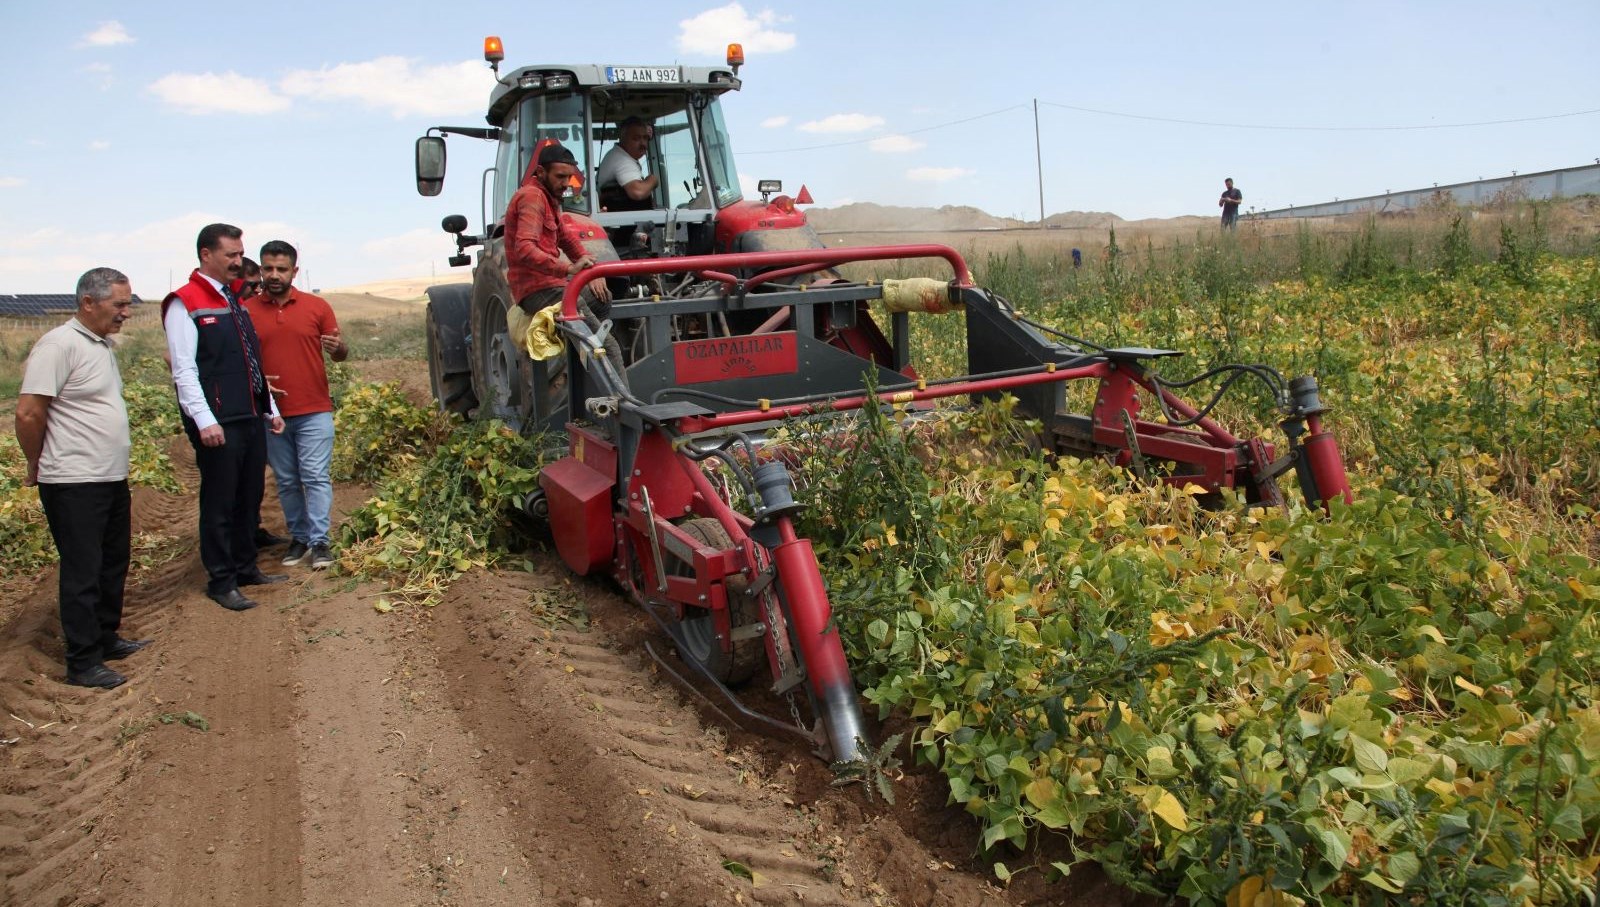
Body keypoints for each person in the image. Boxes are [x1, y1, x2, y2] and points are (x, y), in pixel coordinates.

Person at [15, 268, 150, 689]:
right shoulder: (58, 345)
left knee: (112, 563)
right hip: (73, 480)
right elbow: (28, 412)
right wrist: (36, 462)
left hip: (108, 477)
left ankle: (105, 637)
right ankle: (82, 661)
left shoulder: (100, 344)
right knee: (82, 571)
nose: (126, 312)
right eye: (119, 304)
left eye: (128, 303)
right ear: (88, 303)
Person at [163, 223, 287, 612]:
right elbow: (184, 370)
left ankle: (246, 566)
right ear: (206, 255)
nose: (239, 262)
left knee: (249, 495)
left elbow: (252, 361)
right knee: (220, 501)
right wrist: (204, 420)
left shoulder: (233, 298)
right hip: (219, 419)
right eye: (231, 255)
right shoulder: (185, 303)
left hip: (248, 413)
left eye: (239, 254)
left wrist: (270, 408)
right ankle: (221, 580)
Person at [245, 240, 346, 571]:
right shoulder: (246, 311)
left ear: (294, 272)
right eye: (268, 268)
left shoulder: (317, 307)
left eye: (281, 269)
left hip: (314, 408)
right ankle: (299, 537)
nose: (274, 275)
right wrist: (258, 381)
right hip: (272, 414)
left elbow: (340, 353)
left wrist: (338, 348)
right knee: (287, 480)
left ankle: (320, 542)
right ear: (261, 269)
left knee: (315, 476)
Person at [504, 142, 620, 375]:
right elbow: (525, 248)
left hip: (554, 285)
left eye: (569, 177)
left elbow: (566, 239)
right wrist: (569, 269)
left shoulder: (550, 198)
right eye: (560, 176)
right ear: (540, 172)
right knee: (608, 347)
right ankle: (624, 406)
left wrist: (591, 270)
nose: (566, 183)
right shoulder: (533, 198)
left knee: (602, 297)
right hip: (539, 289)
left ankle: (584, 358)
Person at [595, 116, 658, 212]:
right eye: (636, 138)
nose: (643, 144)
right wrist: (653, 180)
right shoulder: (622, 159)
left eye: (645, 138)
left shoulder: (618, 155)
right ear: (623, 138)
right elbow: (638, 192)